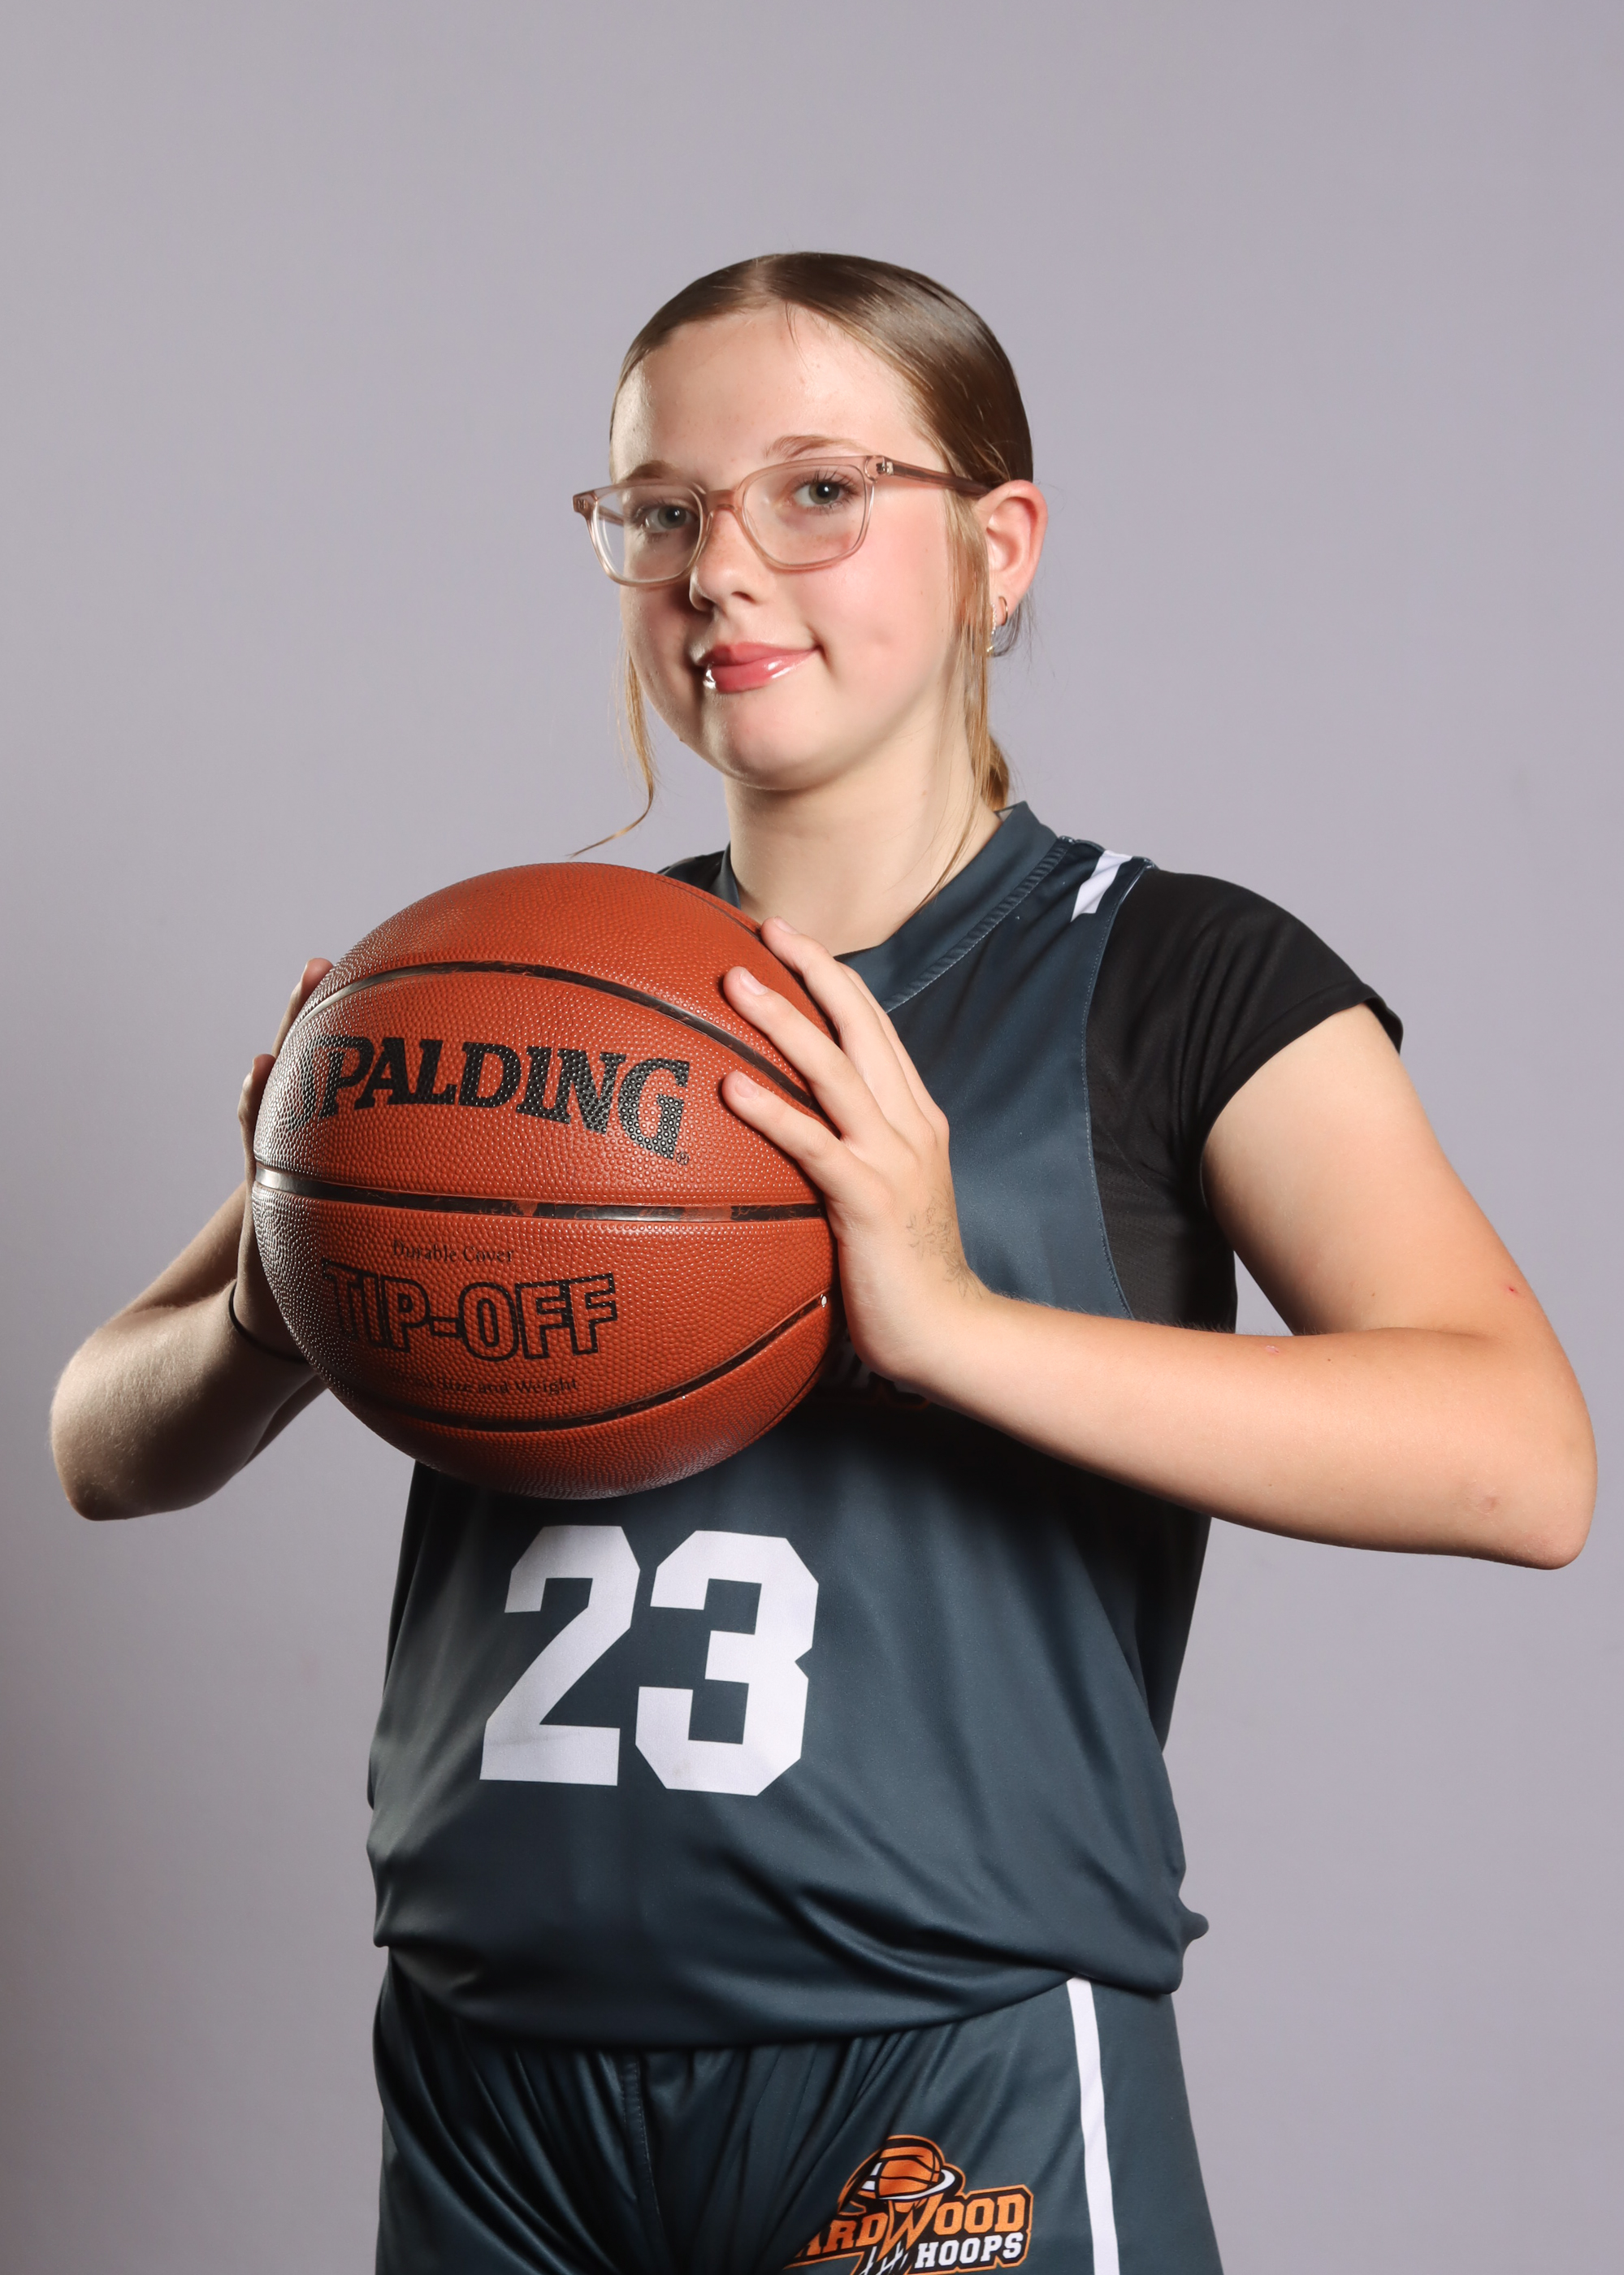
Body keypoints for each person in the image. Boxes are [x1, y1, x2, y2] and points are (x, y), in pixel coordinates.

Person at [51, 254, 1595, 2275]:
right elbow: (100, 1440)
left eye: (816, 492)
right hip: (493, 2055)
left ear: (995, 547)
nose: (719, 567)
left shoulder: (1172, 973)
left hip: (937, 2046)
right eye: (660, 509)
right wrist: (283, 1291)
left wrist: (947, 1324)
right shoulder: (511, 981)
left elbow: (1517, 1459)